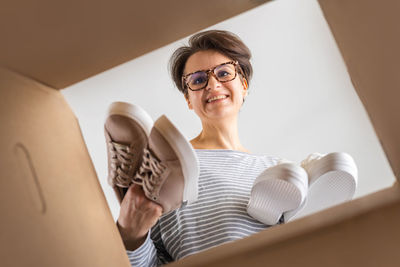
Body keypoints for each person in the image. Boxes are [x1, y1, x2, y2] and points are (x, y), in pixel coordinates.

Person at [116, 30, 283, 266]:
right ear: (188, 100)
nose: (213, 84)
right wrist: (130, 236)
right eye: (198, 80)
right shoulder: (168, 166)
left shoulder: (277, 169)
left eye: (224, 73)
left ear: (243, 85)